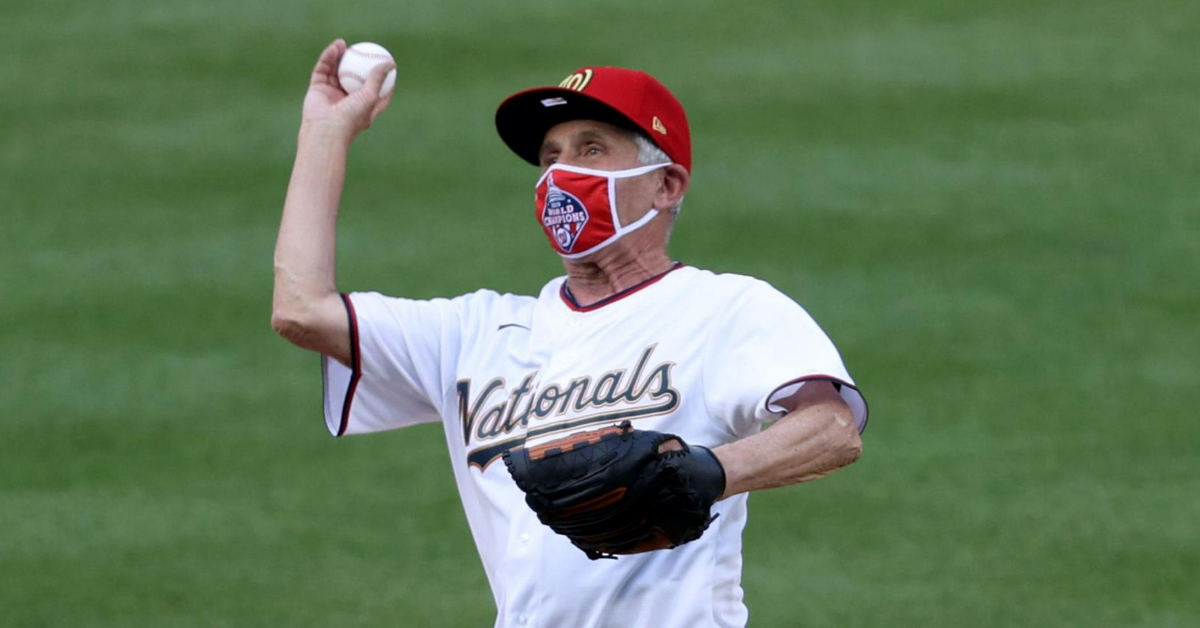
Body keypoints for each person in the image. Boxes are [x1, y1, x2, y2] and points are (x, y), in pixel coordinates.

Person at [273, 39, 869, 628]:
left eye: (591, 149)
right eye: (550, 156)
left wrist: (708, 472)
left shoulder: (725, 308)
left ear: (666, 185)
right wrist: (324, 132)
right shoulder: (472, 332)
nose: (561, 173)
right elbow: (301, 310)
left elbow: (832, 429)